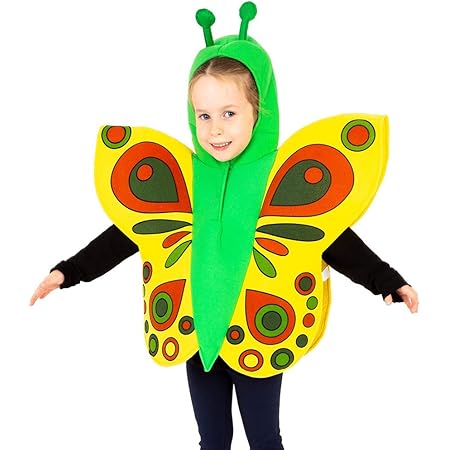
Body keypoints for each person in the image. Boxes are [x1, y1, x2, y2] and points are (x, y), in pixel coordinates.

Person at [30, 3, 418, 449]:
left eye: (229, 113)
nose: (215, 129)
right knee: (212, 439)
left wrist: (386, 280)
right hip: (197, 334)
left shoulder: (276, 179)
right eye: (204, 115)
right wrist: (68, 271)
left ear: (259, 111)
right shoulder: (188, 179)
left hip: (256, 329)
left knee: (263, 439)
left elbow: (330, 235)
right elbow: (128, 232)